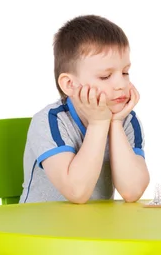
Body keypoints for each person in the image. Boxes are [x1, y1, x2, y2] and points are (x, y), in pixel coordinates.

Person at [19, 15, 149, 204]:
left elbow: (132, 191)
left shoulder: (127, 120)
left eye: (125, 72)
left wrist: (115, 123)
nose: (121, 84)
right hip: (40, 230)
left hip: (92, 231)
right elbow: (76, 192)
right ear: (70, 84)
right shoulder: (50, 121)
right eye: (105, 76)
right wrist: (98, 123)